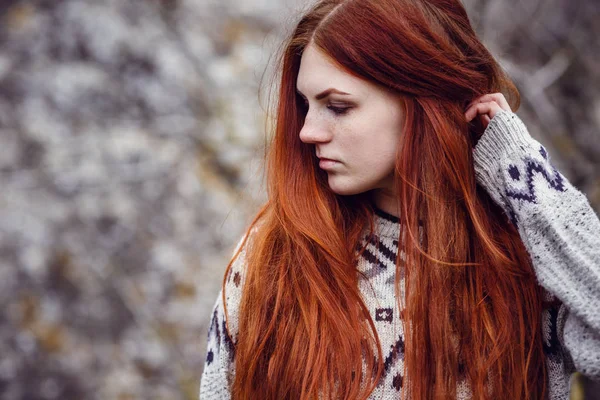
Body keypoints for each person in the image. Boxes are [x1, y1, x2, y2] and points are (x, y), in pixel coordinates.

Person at [199, 0, 600, 398]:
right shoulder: (273, 258)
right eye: (306, 105)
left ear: (423, 101)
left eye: (338, 107)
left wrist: (527, 178)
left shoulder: (527, 254)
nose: (307, 132)